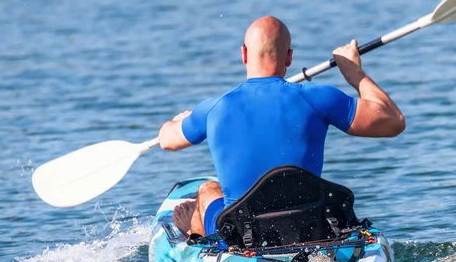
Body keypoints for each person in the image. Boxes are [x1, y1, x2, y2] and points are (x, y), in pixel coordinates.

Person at [158, 16, 405, 238]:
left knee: (207, 190)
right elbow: (393, 121)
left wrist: (178, 121)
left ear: (244, 54)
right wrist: (353, 72)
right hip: (308, 228)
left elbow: (167, 141)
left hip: (244, 235)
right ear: (289, 57)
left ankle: (197, 230)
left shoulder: (212, 109)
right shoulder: (319, 98)